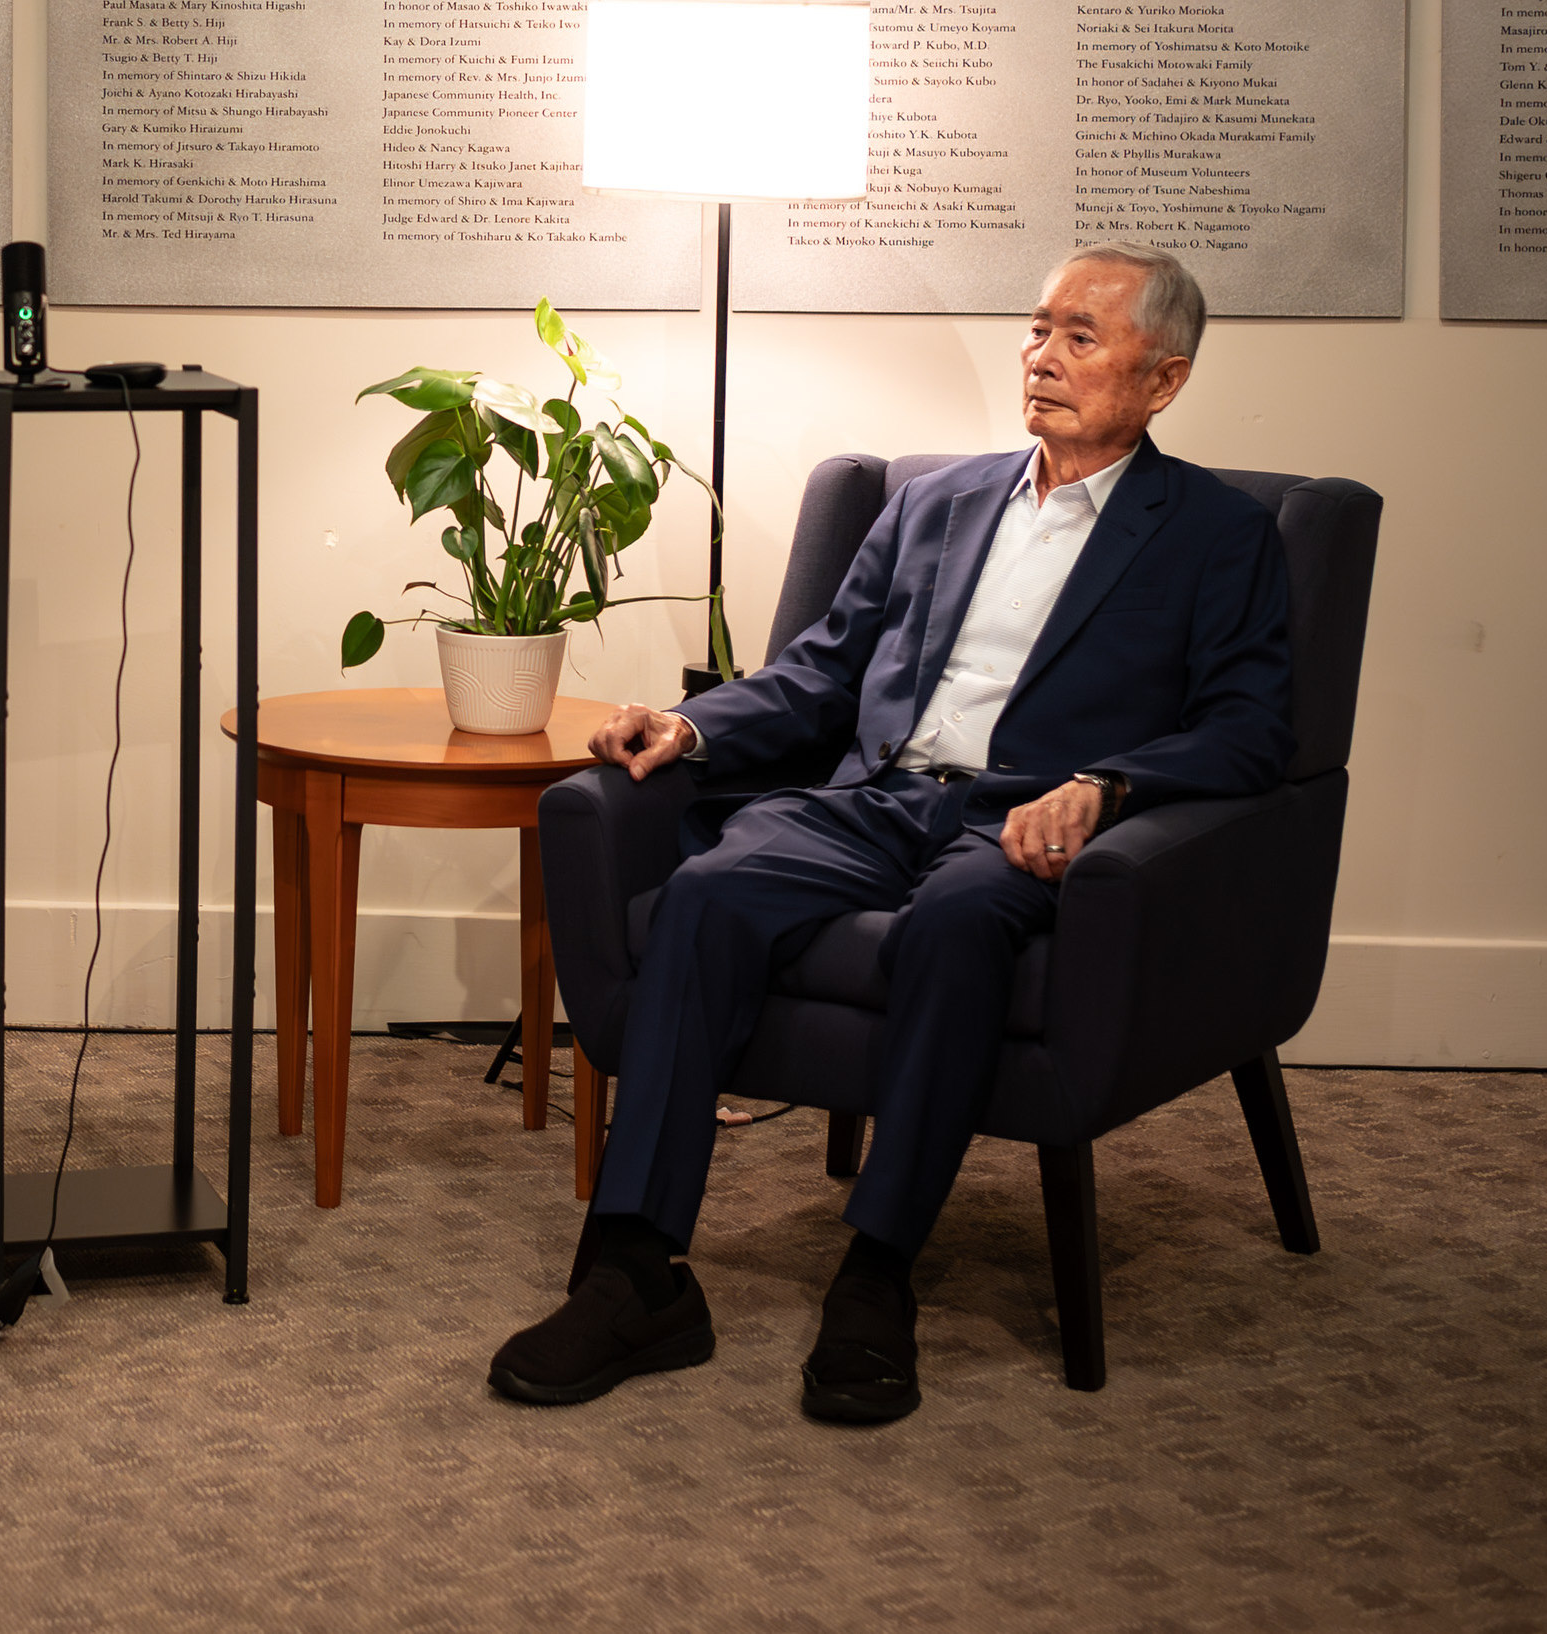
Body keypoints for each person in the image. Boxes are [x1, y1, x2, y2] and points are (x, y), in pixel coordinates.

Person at [491, 242, 1290, 1423]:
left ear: (1162, 379)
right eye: (1037, 327)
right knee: (709, 891)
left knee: (957, 928)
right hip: (874, 796)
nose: (1041, 355)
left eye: (1081, 335)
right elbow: (821, 672)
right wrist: (690, 725)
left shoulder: (1217, 534)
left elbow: (1251, 730)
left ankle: (877, 1272)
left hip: (1016, 820)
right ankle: (634, 1266)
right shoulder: (936, 499)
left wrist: (1105, 785)